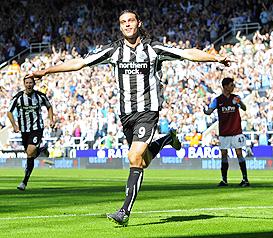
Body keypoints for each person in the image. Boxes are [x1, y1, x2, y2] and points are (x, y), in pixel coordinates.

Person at [26, 9, 230, 226]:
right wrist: (46, 71)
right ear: (120, 26)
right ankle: (167, 139)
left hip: (147, 112)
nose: (127, 25)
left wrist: (214, 57)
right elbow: (79, 63)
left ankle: (124, 211)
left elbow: (187, 53)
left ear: (138, 23)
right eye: (123, 22)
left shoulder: (153, 49)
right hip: (126, 115)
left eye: (130, 20)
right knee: (141, 161)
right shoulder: (113, 51)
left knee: (134, 157)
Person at [7, 77, 54, 191]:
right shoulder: (18, 97)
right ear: (24, 84)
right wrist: (14, 125)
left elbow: (49, 106)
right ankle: (41, 150)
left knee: (30, 151)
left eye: (30, 83)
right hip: (24, 130)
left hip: (37, 128)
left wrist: (51, 119)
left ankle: (24, 182)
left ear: (34, 84)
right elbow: (9, 112)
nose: (28, 85)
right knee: (30, 155)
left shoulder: (39, 96)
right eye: (27, 83)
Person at [204, 77, 250, 187]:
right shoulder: (218, 100)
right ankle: (224, 180)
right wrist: (206, 111)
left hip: (236, 131)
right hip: (224, 133)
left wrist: (240, 103)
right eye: (231, 85)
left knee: (239, 153)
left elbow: (244, 108)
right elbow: (210, 111)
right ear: (225, 86)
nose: (233, 87)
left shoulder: (236, 98)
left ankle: (245, 179)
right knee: (224, 155)